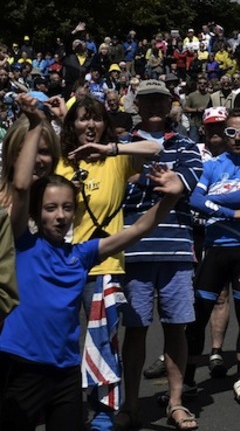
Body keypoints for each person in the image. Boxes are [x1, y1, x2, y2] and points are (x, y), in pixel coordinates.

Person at [0, 126, 182, 431]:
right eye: (50, 208)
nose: (60, 215)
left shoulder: (82, 254)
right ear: (36, 211)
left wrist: (171, 198)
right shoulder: (21, 243)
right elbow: (20, 187)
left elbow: (137, 230)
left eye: (67, 207)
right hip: (21, 366)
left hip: (67, 372)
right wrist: (34, 122)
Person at [117, 79, 204, 431]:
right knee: (135, 331)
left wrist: (156, 182)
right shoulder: (122, 145)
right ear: (136, 105)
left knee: (176, 329)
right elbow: (120, 187)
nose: (154, 106)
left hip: (176, 249)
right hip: (132, 249)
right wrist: (157, 182)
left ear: (171, 105)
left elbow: (188, 181)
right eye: (147, 100)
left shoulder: (186, 145)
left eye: (160, 100)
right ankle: (130, 404)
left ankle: (176, 403)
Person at [185, 108, 240, 406]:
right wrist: (228, 212)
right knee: (197, 319)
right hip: (215, 247)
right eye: (231, 132)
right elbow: (194, 200)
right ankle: (185, 381)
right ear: (224, 134)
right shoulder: (213, 165)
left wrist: (210, 201)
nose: (237, 139)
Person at [0, 95, 61, 328]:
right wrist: (36, 124)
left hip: (49, 321)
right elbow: (22, 187)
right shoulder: (3, 203)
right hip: (9, 323)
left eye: (44, 152)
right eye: (25, 151)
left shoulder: (64, 204)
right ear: (11, 154)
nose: (36, 159)